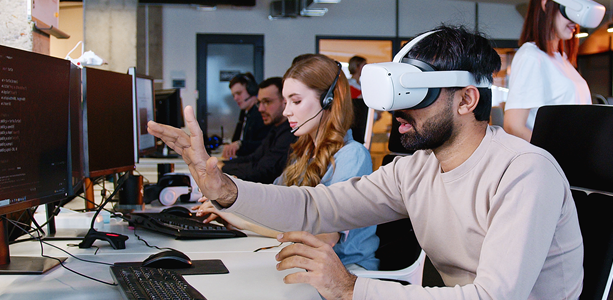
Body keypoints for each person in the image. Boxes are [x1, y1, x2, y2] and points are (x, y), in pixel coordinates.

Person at [148, 25, 584, 300]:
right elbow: (316, 207)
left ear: (467, 100)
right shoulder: (417, 168)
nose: (398, 112)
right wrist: (227, 190)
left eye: (416, 95)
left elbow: (495, 297)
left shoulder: (524, 171)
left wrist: (353, 289)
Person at [207, 55, 379, 271]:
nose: (287, 111)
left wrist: (241, 221)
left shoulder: (352, 156)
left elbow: (324, 237)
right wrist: (232, 202)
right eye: (286, 102)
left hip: (346, 273)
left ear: (328, 101)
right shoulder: (304, 151)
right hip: (309, 266)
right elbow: (273, 202)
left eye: (296, 101)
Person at [503, 0, 593, 142]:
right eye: (568, 11)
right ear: (546, 4)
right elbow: (513, 126)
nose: (574, 22)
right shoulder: (531, 56)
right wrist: (557, 154)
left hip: (576, 156)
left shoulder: (561, 59)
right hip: (556, 160)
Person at [220, 77, 297, 184]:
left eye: (267, 102)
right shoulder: (275, 129)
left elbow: (263, 171)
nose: (261, 109)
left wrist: (223, 168)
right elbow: (255, 158)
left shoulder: (290, 133)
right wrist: (222, 164)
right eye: (260, 103)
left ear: (285, 102)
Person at [222, 72, 272, 157]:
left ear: (251, 90)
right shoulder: (245, 112)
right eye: (234, 95)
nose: (235, 98)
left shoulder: (261, 114)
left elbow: (263, 145)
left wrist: (240, 144)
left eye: (239, 93)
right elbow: (237, 140)